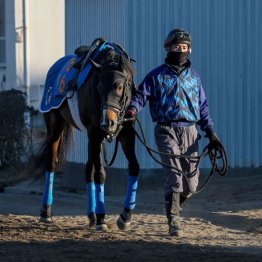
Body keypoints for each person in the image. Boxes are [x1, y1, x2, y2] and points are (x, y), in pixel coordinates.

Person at [125, 28, 220, 236]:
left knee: (191, 184)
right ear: (168, 48)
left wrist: (211, 132)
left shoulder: (195, 78)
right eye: (177, 47)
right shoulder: (156, 76)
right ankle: (174, 221)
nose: (181, 50)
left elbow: (203, 107)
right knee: (175, 176)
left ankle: (175, 205)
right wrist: (132, 109)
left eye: (184, 47)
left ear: (189, 50)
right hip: (166, 129)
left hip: (191, 131)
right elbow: (141, 96)